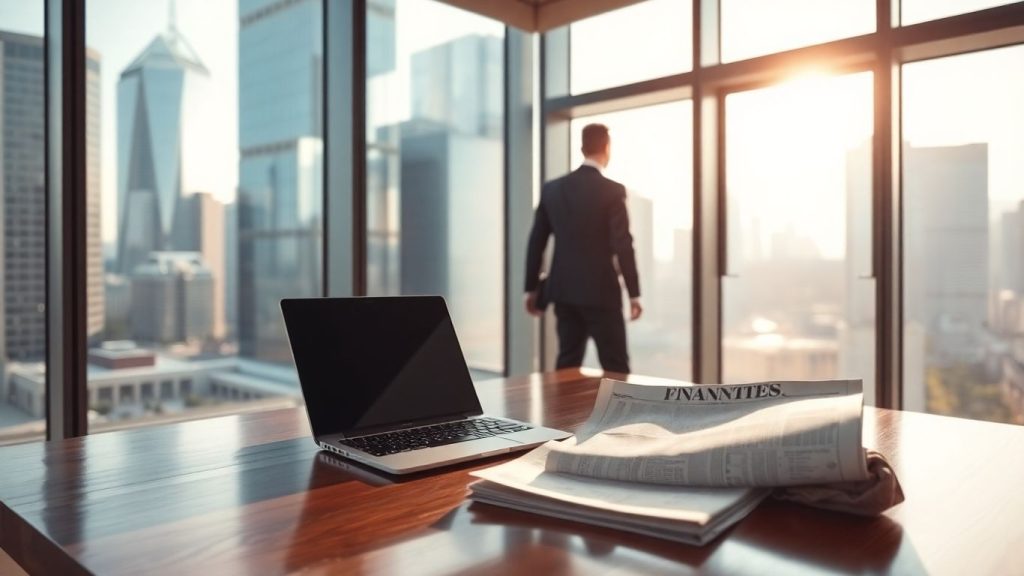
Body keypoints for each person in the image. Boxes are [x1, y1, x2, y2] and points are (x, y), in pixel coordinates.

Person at [523, 123, 641, 374]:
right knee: (616, 368)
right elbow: (623, 244)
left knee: (566, 365)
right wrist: (634, 293)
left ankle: (558, 414)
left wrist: (531, 288)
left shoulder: (552, 189)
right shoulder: (613, 191)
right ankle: (620, 416)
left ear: (581, 147)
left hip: (564, 291)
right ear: (607, 148)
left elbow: (537, 241)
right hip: (602, 292)